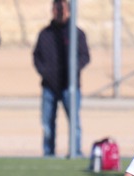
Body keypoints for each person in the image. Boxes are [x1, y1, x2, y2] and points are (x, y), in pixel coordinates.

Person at [32, 0, 91, 157]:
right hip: (49, 86)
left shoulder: (77, 33)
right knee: (47, 123)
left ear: (68, 10)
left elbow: (85, 56)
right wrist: (45, 72)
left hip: (70, 86)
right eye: (56, 8)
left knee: (74, 122)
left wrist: (73, 70)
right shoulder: (45, 34)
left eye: (62, 8)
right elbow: (36, 56)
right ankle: (48, 152)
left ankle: (76, 151)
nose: (59, 11)